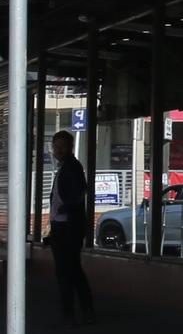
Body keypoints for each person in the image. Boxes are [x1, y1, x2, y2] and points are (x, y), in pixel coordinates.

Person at [48, 130, 95, 327]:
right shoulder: (65, 167)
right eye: (55, 146)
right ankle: (84, 311)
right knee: (72, 271)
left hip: (68, 228)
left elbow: (79, 192)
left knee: (66, 273)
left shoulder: (72, 167)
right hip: (62, 227)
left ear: (70, 147)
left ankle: (70, 315)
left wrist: (66, 207)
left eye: (62, 146)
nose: (58, 150)